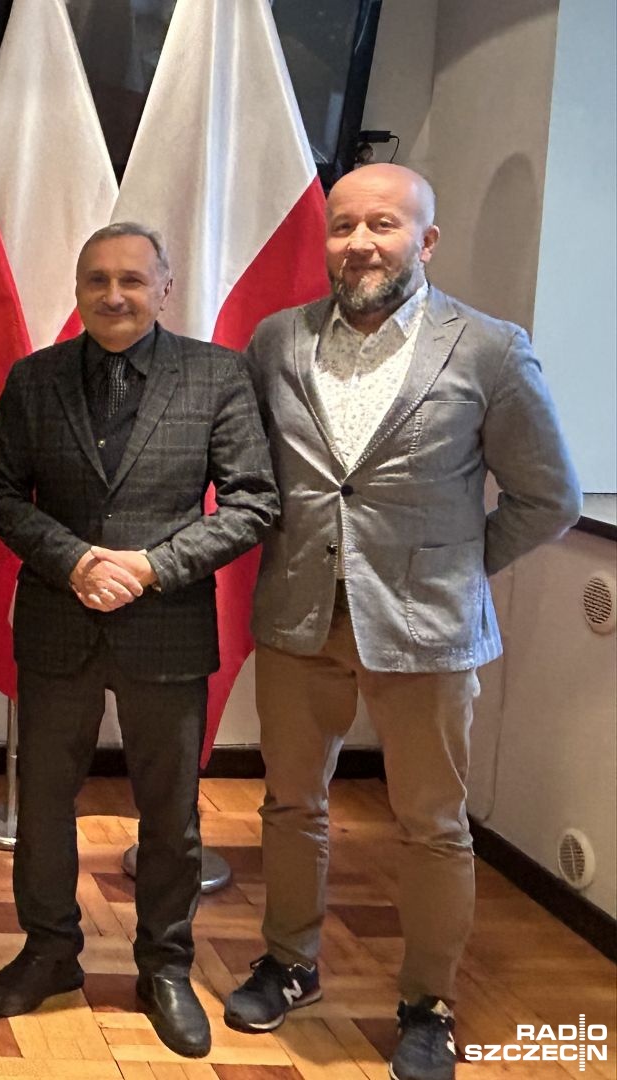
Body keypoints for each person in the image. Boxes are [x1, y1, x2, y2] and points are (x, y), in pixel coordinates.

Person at [224, 163, 580, 1080]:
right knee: (291, 804)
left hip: (428, 631)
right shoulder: (277, 340)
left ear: (426, 240)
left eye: (382, 225)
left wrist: (455, 569)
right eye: (343, 226)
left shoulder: (490, 348)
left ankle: (428, 1004)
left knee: (433, 825)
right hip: (300, 617)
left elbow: (550, 496)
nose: (359, 244)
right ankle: (290, 961)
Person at [0, 223, 277, 1058]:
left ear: (164, 288)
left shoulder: (217, 376)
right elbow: (1, 495)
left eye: (133, 280)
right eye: (97, 280)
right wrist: (75, 561)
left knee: (171, 816)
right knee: (43, 805)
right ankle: (49, 951)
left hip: (166, 627)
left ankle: (165, 966)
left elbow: (253, 502)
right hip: (58, 620)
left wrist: (149, 568)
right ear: (78, 289)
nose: (115, 295)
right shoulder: (34, 378)